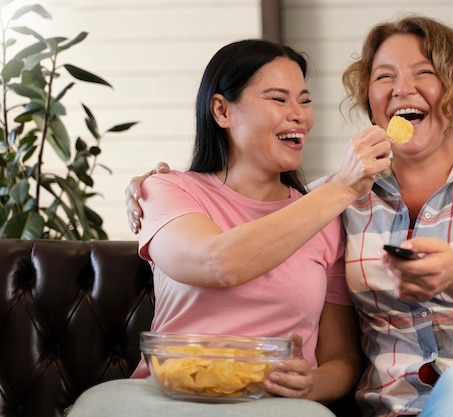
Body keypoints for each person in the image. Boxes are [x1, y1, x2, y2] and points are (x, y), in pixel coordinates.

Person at [125, 15, 453, 417]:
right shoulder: (332, 200)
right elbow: (253, 215)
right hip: (404, 407)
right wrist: (152, 185)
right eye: (384, 77)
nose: (400, 88)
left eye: (424, 73)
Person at [68, 38, 394, 417]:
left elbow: (341, 359)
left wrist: (311, 385)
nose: (299, 115)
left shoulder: (323, 217)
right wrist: (341, 188)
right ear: (221, 110)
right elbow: (217, 263)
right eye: (278, 99)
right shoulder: (167, 190)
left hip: (272, 406)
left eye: (304, 101)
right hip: (168, 398)